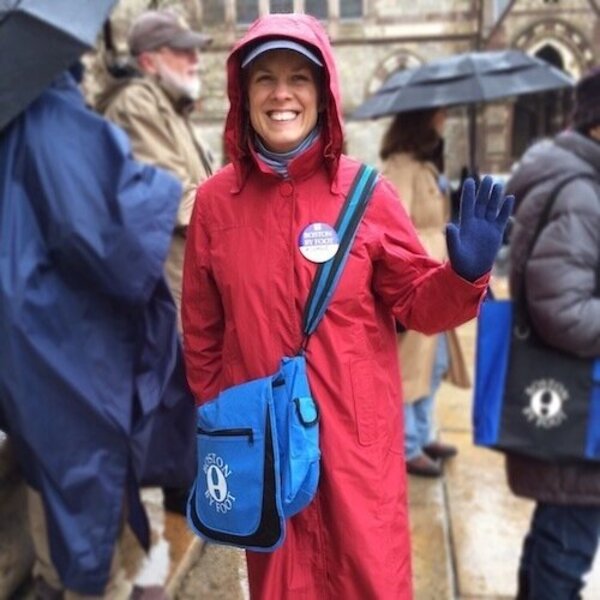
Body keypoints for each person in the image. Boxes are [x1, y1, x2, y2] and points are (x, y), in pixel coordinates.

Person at [181, 13, 512, 600]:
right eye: (265, 79)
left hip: (357, 448)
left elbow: (419, 306)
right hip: (266, 450)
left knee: (369, 581)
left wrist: (464, 275)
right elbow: (202, 331)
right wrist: (225, 418)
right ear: (243, 94)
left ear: (323, 92)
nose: (282, 94)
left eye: (298, 79)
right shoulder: (214, 203)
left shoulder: (366, 194)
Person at [0, 67, 196, 598]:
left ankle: (62, 573)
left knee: (47, 457)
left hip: (21, 325)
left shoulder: (13, 107)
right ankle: (93, 580)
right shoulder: (48, 109)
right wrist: (159, 187)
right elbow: (103, 226)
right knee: (86, 463)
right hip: (61, 327)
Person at [98, 8, 215, 515]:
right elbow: (167, 192)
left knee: (185, 385)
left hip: (183, 273)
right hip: (164, 277)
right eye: (182, 50)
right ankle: (178, 488)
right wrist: (234, 210)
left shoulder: (169, 105)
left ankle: (184, 481)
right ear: (149, 60)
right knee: (172, 386)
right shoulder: (136, 104)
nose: (195, 59)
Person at [504, 67, 600, 599]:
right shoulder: (583, 192)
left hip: (568, 407)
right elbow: (561, 309)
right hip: (579, 411)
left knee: (554, 540)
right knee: (566, 549)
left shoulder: (577, 180)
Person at [380, 108, 471, 477]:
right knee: (411, 370)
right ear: (421, 121)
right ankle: (407, 445)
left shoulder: (423, 165)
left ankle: (423, 432)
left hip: (437, 275)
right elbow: (393, 225)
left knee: (433, 367)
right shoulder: (401, 167)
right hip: (419, 280)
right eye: (439, 115)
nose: (445, 120)